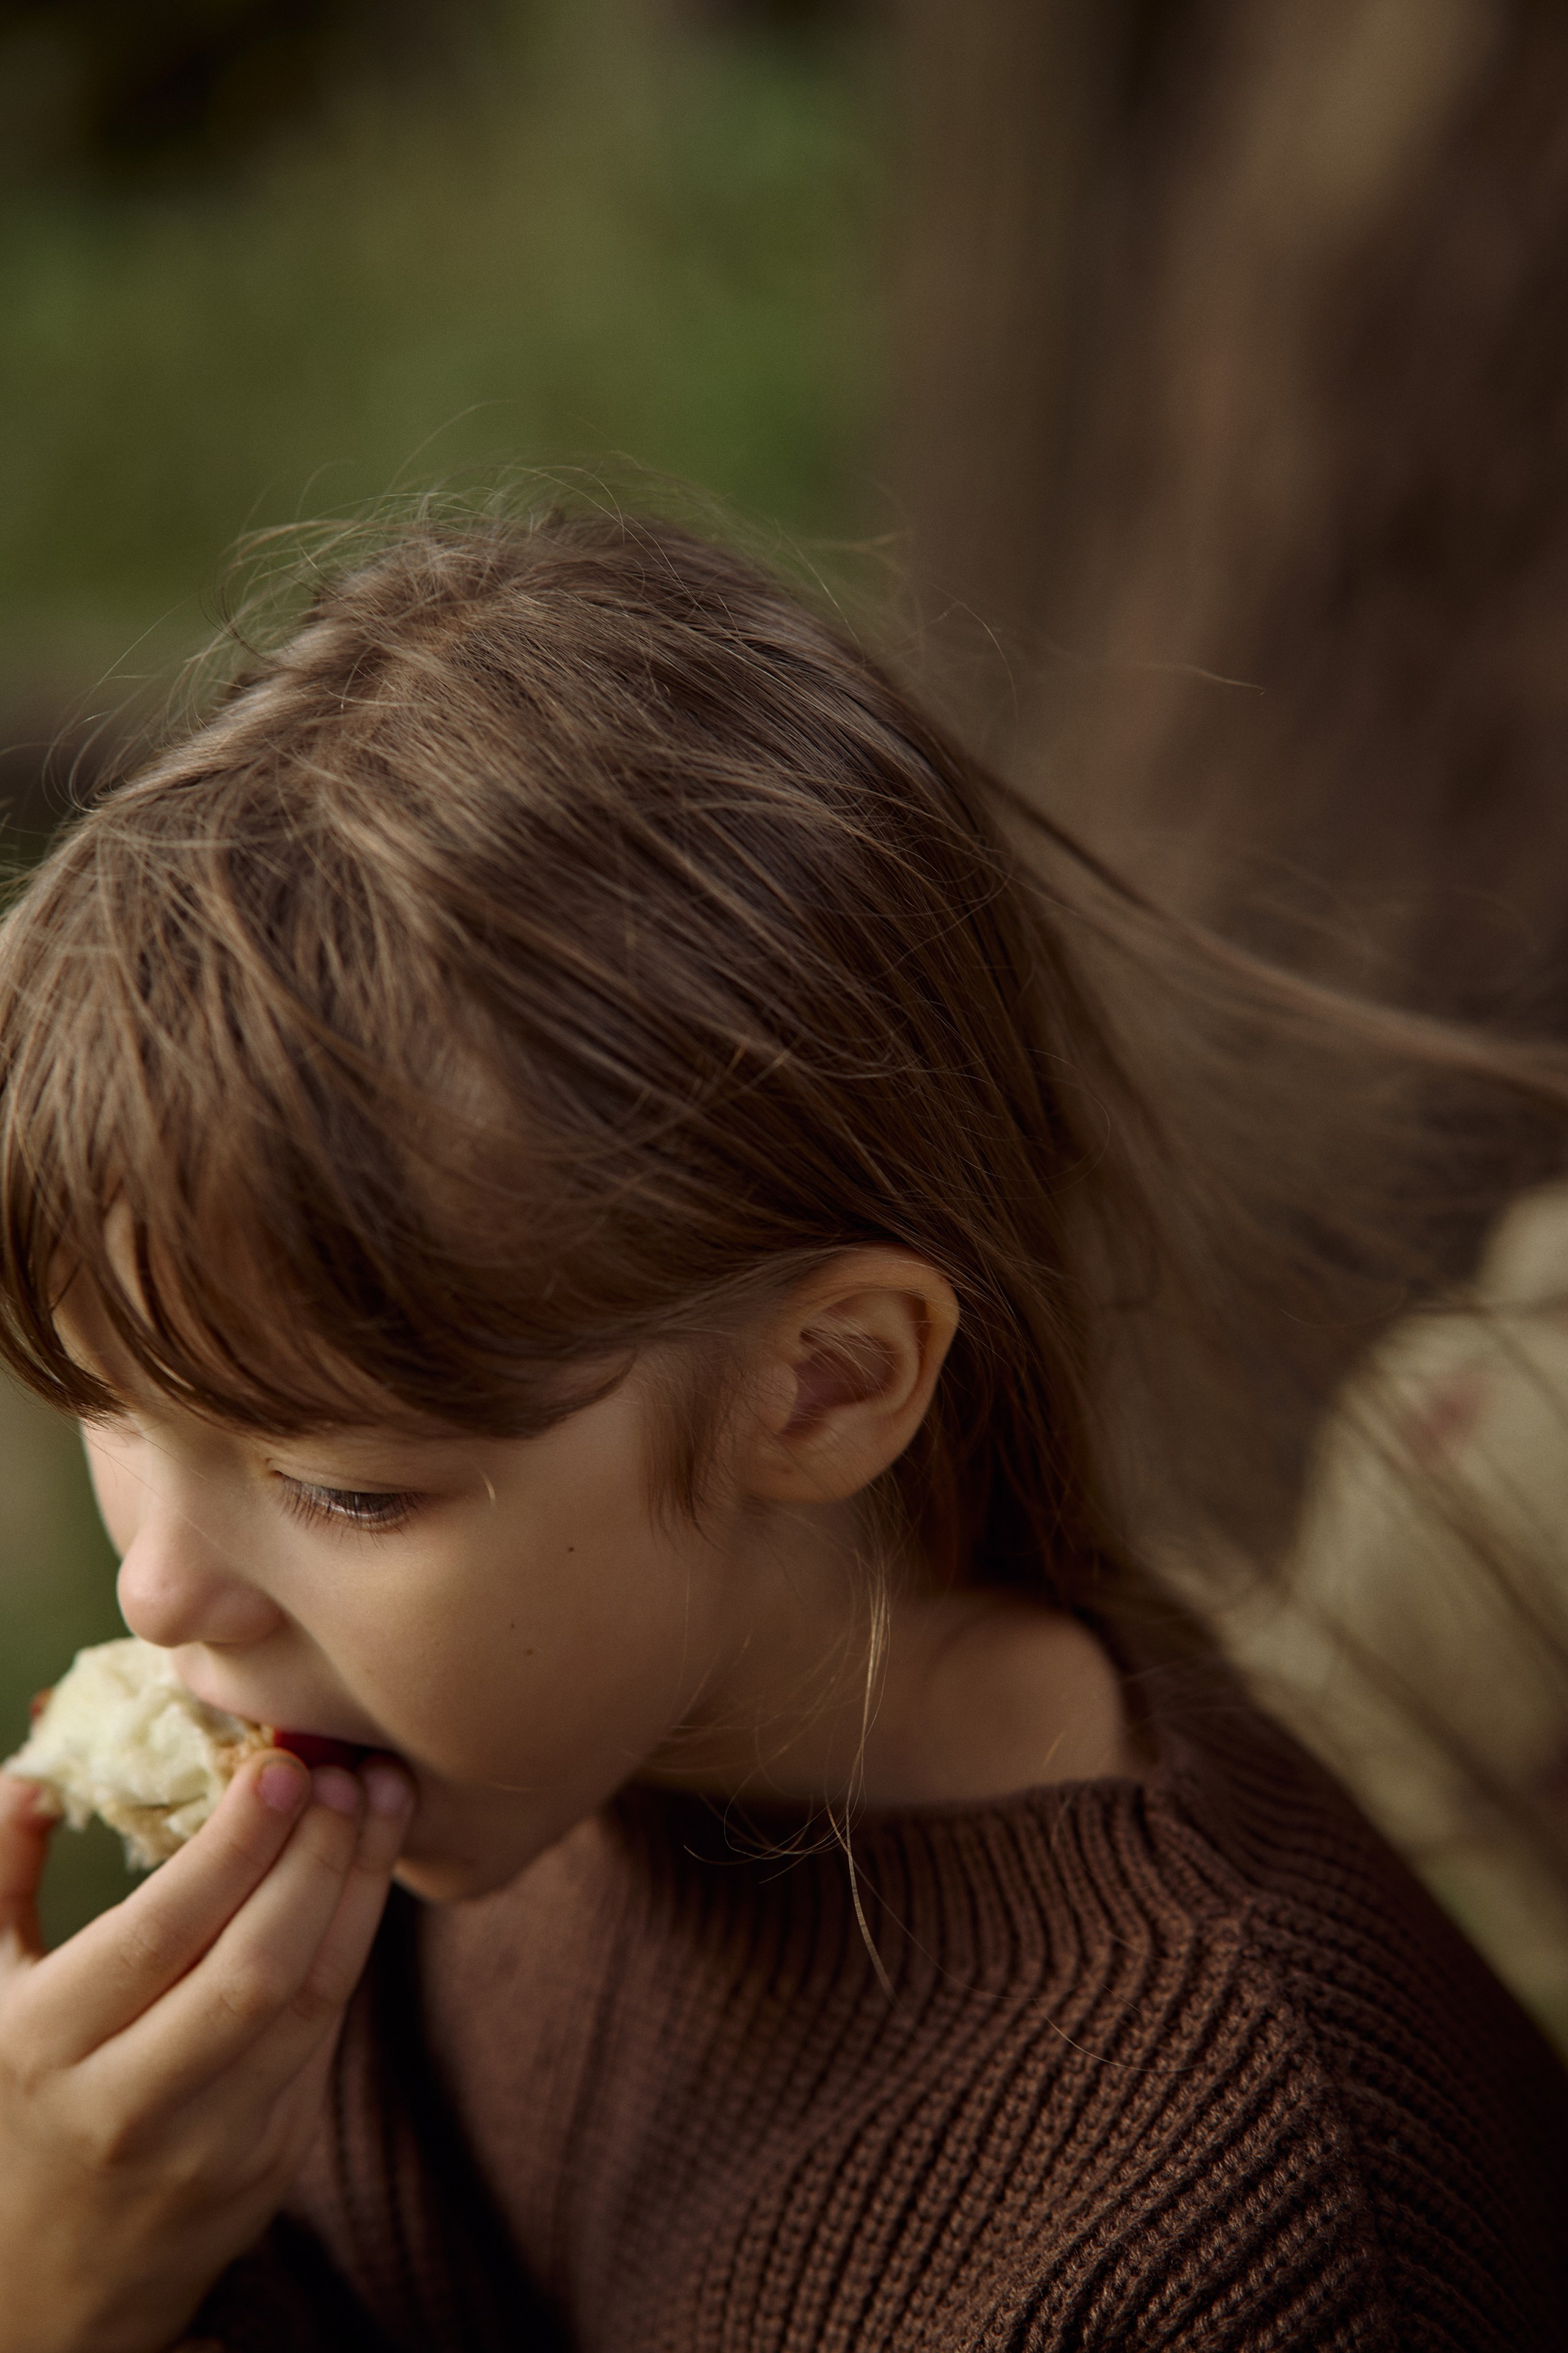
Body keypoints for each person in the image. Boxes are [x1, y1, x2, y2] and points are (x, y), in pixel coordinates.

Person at [0, 505, 1564, 2353]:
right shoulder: (523, 1756)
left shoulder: (1236, 2243)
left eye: (341, 1486)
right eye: (106, 1410)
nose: (160, 1589)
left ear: (821, 1385)